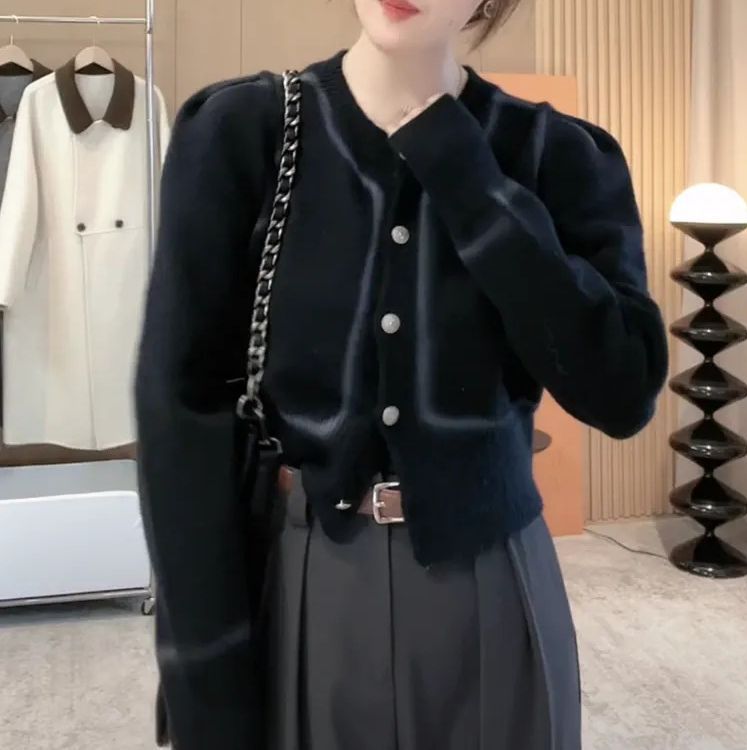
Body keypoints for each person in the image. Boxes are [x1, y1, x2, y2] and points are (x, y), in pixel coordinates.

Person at [135, 0, 669, 748]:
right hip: (304, 579)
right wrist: (204, 667)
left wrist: (469, 177)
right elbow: (179, 412)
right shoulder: (244, 133)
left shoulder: (559, 153)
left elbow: (622, 392)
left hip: (494, 580)